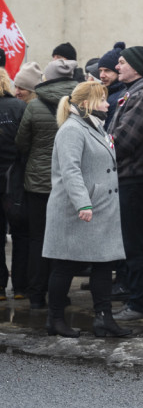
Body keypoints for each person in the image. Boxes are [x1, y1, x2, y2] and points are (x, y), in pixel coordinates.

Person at [42, 81, 131, 338]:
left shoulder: (95, 127)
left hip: (100, 209)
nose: (107, 104)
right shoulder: (72, 130)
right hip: (78, 210)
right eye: (102, 100)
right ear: (85, 104)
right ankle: (55, 320)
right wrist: (83, 202)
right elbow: (70, 170)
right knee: (65, 265)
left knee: (104, 265)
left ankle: (104, 320)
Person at [106, 45, 143, 322]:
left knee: (135, 242)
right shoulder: (135, 91)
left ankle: (139, 302)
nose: (118, 68)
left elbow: (123, 141)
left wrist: (100, 145)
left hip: (134, 178)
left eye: (121, 63)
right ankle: (135, 296)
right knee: (130, 242)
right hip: (127, 176)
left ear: (137, 67)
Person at [16, 59, 78, 310]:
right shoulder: (77, 103)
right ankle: (60, 295)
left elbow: (21, 142)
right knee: (63, 241)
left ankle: (37, 295)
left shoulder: (35, 106)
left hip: (38, 184)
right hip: (67, 184)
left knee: (38, 239)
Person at [0, 68, 28, 300]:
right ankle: (20, 287)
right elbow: (26, 144)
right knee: (20, 233)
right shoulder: (20, 108)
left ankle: (0, 286)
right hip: (15, 180)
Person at [96, 42, 127, 118]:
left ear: (118, 70)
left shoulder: (121, 97)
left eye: (107, 70)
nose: (101, 75)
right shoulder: (104, 92)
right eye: (100, 71)